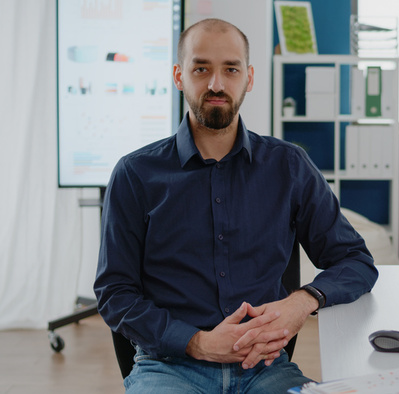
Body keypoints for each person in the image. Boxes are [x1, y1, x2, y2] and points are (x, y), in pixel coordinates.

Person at [94, 18, 378, 393]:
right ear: (179, 76)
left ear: (249, 77)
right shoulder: (135, 174)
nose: (216, 84)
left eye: (230, 69)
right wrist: (198, 342)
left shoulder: (288, 166)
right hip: (169, 369)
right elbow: (115, 293)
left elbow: (355, 261)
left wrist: (303, 301)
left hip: (265, 370)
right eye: (201, 69)